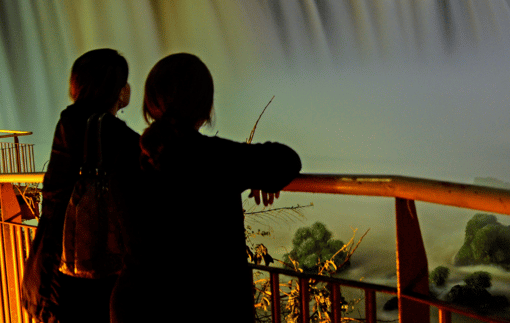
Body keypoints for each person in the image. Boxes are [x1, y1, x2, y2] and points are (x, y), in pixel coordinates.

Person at [110, 53, 301, 323]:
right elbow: (288, 160)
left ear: (150, 102)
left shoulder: (126, 161)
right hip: (208, 306)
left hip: (137, 303)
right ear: (204, 105)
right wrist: (256, 173)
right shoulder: (218, 158)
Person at [21, 49, 141, 323]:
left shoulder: (67, 125)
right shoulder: (124, 141)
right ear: (119, 91)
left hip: (54, 271)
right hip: (104, 280)